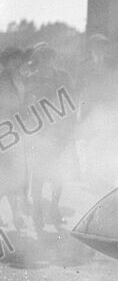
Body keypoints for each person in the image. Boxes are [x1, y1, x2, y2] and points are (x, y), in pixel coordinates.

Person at [24, 43, 76, 230]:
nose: (46, 61)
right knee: (38, 175)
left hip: (59, 133)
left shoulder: (63, 77)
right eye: (42, 57)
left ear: (54, 58)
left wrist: (69, 129)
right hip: (38, 134)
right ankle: (37, 211)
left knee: (58, 174)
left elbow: (72, 102)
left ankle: (54, 208)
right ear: (37, 60)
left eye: (49, 56)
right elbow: (25, 108)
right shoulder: (30, 79)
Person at [0, 47, 30, 230]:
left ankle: (16, 215)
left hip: (16, 129)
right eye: (13, 60)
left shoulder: (18, 78)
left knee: (14, 175)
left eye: (18, 59)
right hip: (4, 128)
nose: (17, 63)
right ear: (6, 61)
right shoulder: (3, 79)